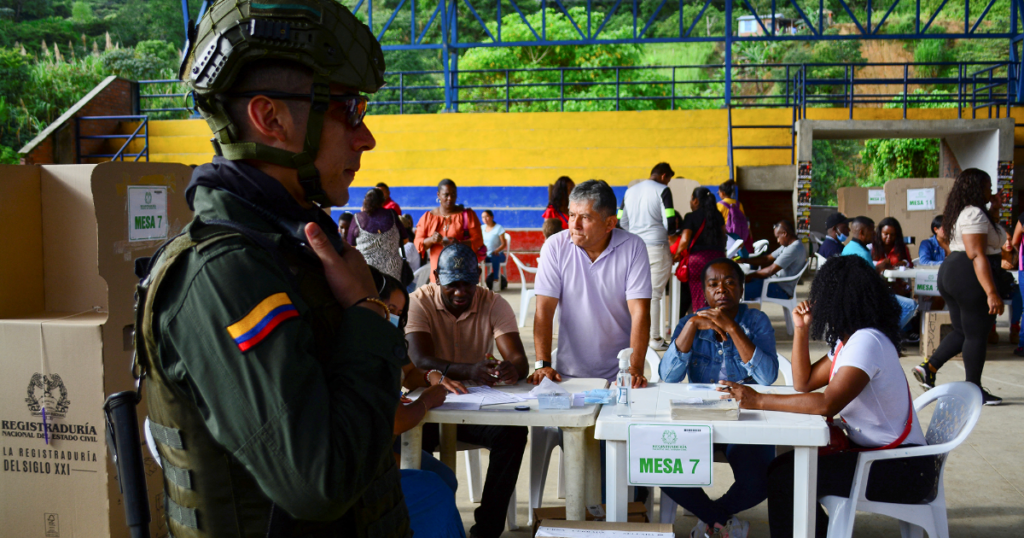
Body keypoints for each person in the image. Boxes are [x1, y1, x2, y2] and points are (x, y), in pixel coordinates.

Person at [137, 2, 411, 536]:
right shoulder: (222, 275)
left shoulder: (293, 249)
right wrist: (365, 312)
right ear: (271, 118)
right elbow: (318, 483)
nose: (366, 137)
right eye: (350, 110)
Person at [721, 256, 938, 538]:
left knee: (786, 478)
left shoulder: (867, 342)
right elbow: (804, 382)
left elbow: (826, 404)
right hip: (880, 458)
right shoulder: (848, 341)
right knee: (784, 470)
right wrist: (801, 328)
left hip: (901, 469)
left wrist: (758, 400)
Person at [405, 244, 529, 538]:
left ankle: (486, 530)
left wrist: (513, 369)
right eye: (453, 285)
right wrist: (471, 370)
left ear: (478, 279)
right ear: (436, 278)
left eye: (468, 284)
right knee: (411, 445)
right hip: (428, 407)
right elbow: (420, 359)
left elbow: (520, 359)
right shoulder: (417, 302)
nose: (461, 292)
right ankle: (421, 527)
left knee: (513, 434)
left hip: (474, 407)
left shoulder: (493, 302)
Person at [659, 258, 778, 538]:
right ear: (704, 292)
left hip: (744, 419)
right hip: (698, 417)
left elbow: (767, 377)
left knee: (759, 481)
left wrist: (733, 328)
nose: (721, 289)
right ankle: (719, 521)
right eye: (713, 284)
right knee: (659, 465)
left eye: (729, 283)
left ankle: (711, 518)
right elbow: (668, 377)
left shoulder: (755, 321)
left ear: (741, 288)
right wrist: (689, 328)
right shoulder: (692, 321)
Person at [366, 269, 466, 538]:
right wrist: (426, 401)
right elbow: (396, 420)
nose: (393, 315)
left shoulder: (388, 339)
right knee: (434, 486)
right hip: (371, 451)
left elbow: (409, 372)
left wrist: (430, 376)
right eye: (388, 307)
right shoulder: (363, 345)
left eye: (398, 310)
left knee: (445, 477)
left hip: (385, 442)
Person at [530, 179, 652, 386]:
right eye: (571, 215)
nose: (574, 225)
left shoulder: (633, 247)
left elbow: (640, 312)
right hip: (567, 376)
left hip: (620, 377)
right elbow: (544, 310)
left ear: (610, 223)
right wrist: (542, 364)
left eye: (585, 217)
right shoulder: (555, 247)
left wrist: (634, 369)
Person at [913, 169, 1008, 405]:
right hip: (969, 274)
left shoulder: (961, 212)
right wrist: (991, 292)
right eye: (987, 186)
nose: (991, 191)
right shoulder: (974, 213)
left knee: (962, 331)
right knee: (977, 333)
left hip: (954, 270)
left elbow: (945, 237)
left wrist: (994, 208)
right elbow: (977, 254)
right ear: (977, 188)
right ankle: (973, 390)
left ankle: (929, 367)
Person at [619, 162, 682, 349]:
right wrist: (669, 233)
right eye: (669, 179)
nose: (668, 183)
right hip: (657, 247)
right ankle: (654, 338)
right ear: (664, 176)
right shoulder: (663, 190)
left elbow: (621, 219)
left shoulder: (630, 191)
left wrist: (635, 235)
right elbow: (670, 220)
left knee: (635, 293)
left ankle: (633, 336)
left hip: (634, 248)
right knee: (653, 294)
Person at [842, 216, 919, 331]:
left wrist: (878, 269)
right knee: (911, 305)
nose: (874, 234)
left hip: (856, 296)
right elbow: (871, 283)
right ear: (862, 232)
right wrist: (891, 288)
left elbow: (867, 275)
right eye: (872, 230)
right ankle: (888, 335)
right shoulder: (863, 253)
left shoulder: (849, 248)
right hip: (866, 298)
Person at [414, 179, 484, 284]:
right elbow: (418, 243)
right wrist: (431, 240)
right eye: (446, 195)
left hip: (463, 272)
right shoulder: (428, 217)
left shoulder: (468, 215)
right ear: (438, 195)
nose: (450, 198)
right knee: (438, 298)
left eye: (453, 194)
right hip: (437, 273)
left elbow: (478, 240)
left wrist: (459, 244)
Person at [675, 187, 728, 312]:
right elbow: (724, 236)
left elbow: (684, 240)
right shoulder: (717, 215)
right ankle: (718, 323)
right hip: (718, 259)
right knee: (717, 292)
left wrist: (675, 255)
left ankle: (703, 323)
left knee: (699, 293)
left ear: (696, 201)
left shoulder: (691, 217)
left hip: (698, 261)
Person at [348, 187, 410, 281]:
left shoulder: (358, 218)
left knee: (371, 294)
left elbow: (351, 246)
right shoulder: (392, 215)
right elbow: (405, 240)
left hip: (367, 270)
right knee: (391, 294)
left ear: (365, 201)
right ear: (383, 201)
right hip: (392, 270)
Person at [743, 220, 807, 302]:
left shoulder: (794, 248)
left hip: (780, 289)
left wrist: (750, 275)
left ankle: (746, 313)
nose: (778, 241)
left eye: (778, 237)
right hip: (773, 283)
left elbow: (770, 271)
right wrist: (745, 260)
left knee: (742, 291)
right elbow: (767, 258)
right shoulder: (788, 245)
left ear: (784, 233)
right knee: (743, 285)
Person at [872, 217, 914, 297]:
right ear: (880, 233)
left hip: (899, 287)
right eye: (886, 234)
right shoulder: (872, 247)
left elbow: (910, 265)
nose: (889, 237)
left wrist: (904, 262)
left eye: (892, 234)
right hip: (878, 287)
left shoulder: (901, 247)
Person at [717, 179, 752, 252]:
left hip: (727, 235)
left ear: (722, 193)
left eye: (718, 192)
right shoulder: (739, 204)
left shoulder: (719, 205)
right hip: (739, 235)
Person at [481, 209, 508, 289]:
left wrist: (496, 250)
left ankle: (496, 279)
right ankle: (479, 283)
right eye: (483, 217)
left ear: (492, 217)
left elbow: (504, 244)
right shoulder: (481, 228)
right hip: (486, 256)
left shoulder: (498, 228)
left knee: (494, 255)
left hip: (498, 255)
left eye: (487, 217)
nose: (485, 219)